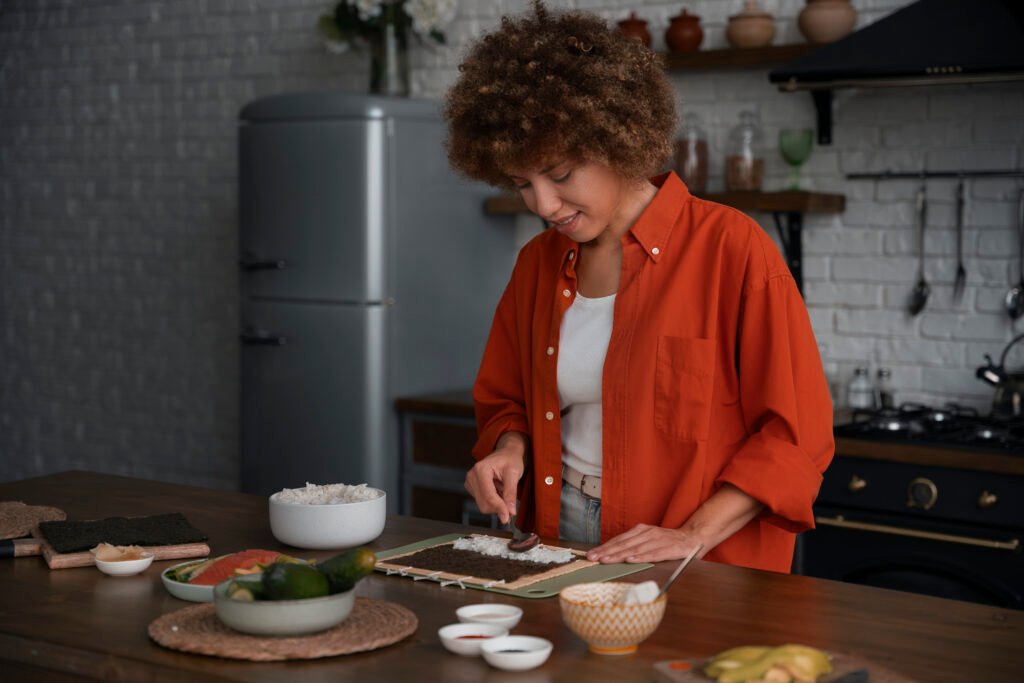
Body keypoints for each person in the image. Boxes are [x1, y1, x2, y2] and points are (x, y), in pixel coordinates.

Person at [444, 1, 834, 573]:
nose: (543, 205)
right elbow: (505, 401)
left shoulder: (733, 249)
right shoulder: (537, 264)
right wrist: (508, 448)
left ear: (617, 140)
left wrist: (691, 536)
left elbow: (795, 438)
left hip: (700, 554)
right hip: (558, 531)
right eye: (520, 184)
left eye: (559, 174)